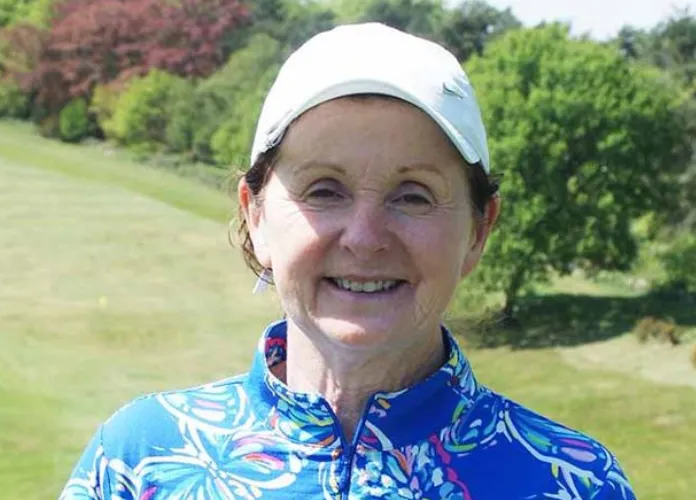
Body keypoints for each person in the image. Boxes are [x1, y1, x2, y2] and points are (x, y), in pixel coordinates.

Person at [59, 23, 635, 499]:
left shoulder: (574, 481)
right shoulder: (141, 458)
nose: (364, 238)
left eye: (413, 195)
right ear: (255, 215)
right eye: (324, 190)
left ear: (479, 229)